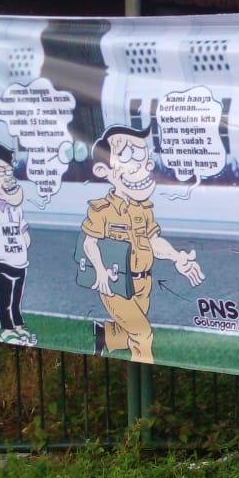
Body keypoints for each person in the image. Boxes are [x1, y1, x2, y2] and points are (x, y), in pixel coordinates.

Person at [81, 124, 203, 363]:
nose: (143, 165)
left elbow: (153, 241)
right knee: (143, 335)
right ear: (103, 170)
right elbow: (89, 243)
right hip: (116, 285)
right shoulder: (102, 210)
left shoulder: (143, 209)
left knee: (131, 332)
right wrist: (100, 271)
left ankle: (105, 336)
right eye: (128, 155)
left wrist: (176, 257)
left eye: (143, 156)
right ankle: (146, 383)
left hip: (143, 284)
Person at [0, 142, 34, 346]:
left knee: (17, 297)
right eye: (1, 171)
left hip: (20, 261)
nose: (7, 176)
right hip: (2, 261)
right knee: (4, 297)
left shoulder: (17, 210)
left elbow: (24, 231)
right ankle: (7, 329)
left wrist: (25, 241)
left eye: (9, 171)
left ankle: (18, 325)